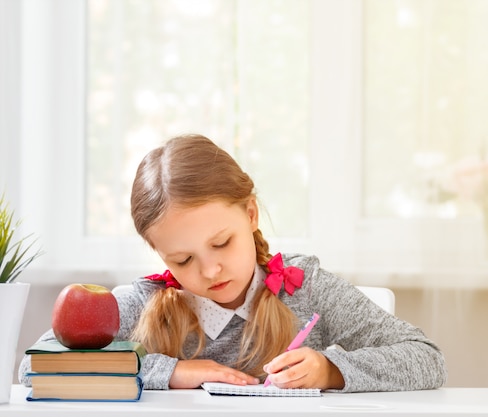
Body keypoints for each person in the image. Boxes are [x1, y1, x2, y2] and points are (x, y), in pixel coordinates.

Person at [20, 133, 446, 392]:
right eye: (183, 259)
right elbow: (33, 368)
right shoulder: (143, 303)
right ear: (160, 254)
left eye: (222, 243)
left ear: (251, 215)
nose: (209, 271)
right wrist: (170, 371)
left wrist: (330, 370)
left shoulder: (305, 288)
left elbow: (427, 359)